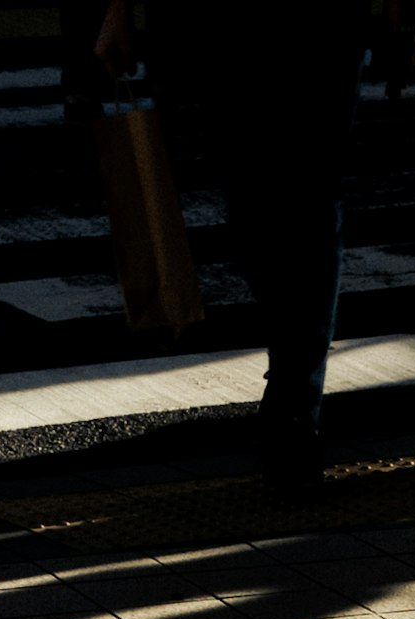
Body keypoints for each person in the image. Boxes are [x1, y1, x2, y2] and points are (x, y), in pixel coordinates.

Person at [96, 0, 374, 495]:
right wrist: (120, 10)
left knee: (303, 199)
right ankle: (294, 388)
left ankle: (294, 400)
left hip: (314, 26)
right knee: (260, 204)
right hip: (229, 26)